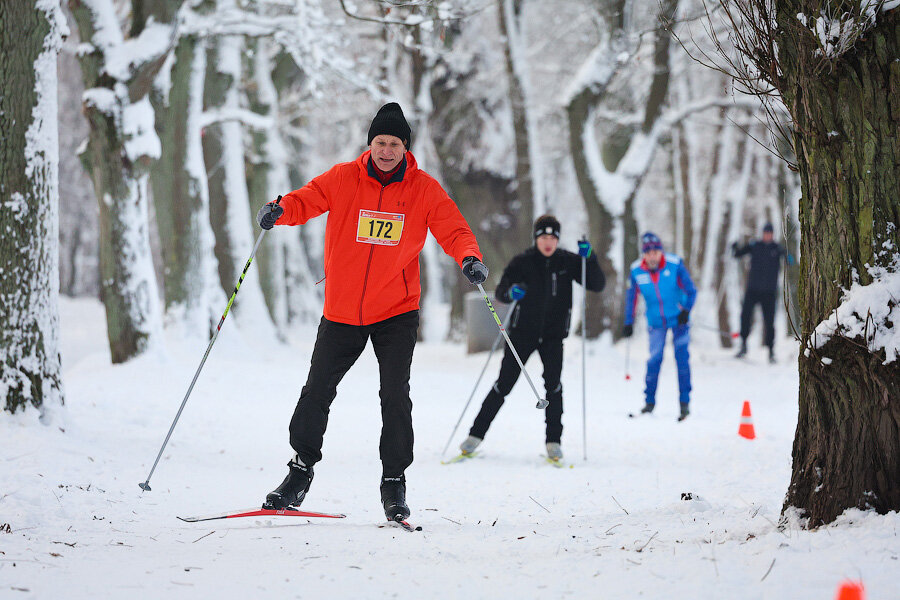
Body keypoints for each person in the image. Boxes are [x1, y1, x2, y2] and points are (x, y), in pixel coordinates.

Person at [255, 103, 488, 523]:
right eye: (380, 142)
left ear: (405, 148)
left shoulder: (423, 189)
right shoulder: (343, 177)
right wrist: (280, 210)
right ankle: (299, 472)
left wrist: (469, 257)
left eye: (394, 143)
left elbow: (453, 228)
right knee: (317, 389)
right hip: (343, 308)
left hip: (395, 310)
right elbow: (306, 200)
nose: (386, 150)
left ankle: (394, 481)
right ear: (370, 144)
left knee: (395, 394)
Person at [458, 215, 605, 461]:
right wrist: (511, 292)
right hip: (521, 334)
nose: (548, 242)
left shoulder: (568, 261)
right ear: (536, 239)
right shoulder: (522, 262)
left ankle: (553, 442)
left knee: (553, 387)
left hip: (553, 336)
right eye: (543, 237)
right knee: (503, 384)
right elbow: (502, 292)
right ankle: (474, 436)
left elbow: (597, 284)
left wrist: (589, 258)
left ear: (557, 239)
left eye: (552, 238)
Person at [622, 232, 697, 421]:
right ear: (644, 254)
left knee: (682, 359)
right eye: (649, 253)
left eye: (656, 252)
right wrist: (628, 322)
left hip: (678, 319)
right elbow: (631, 298)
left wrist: (686, 310)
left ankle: (685, 403)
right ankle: (649, 402)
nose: (652, 256)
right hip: (656, 322)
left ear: (661, 252)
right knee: (654, 360)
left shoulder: (674, 264)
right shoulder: (636, 271)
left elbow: (691, 290)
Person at [732, 223, 790, 363]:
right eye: (765, 233)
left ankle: (771, 351)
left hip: (769, 291)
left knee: (769, 322)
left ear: (772, 234)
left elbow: (790, 261)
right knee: (745, 316)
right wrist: (735, 247)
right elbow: (738, 254)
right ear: (763, 233)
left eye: (769, 233)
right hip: (753, 289)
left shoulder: (777, 248)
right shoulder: (755, 246)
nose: (767, 235)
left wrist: (788, 255)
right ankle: (743, 344)